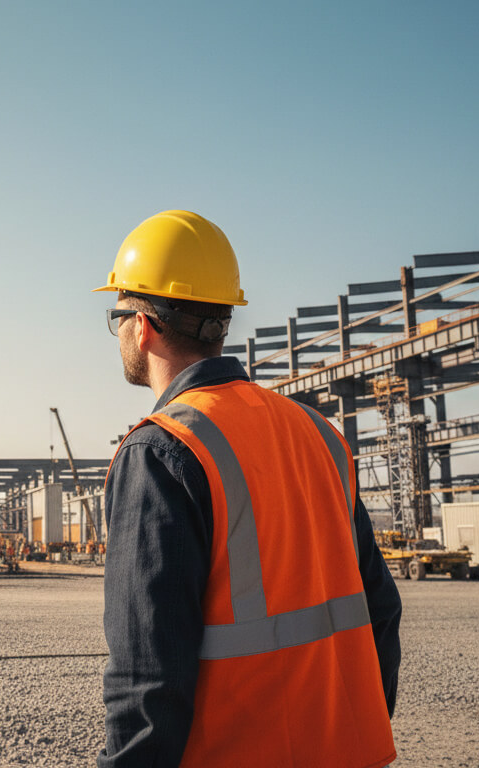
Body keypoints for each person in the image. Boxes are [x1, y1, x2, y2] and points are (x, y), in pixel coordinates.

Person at [94, 210, 401, 766]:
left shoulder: (162, 451)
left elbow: (147, 684)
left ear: (143, 325)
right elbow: (379, 611)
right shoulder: (320, 434)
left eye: (115, 314)